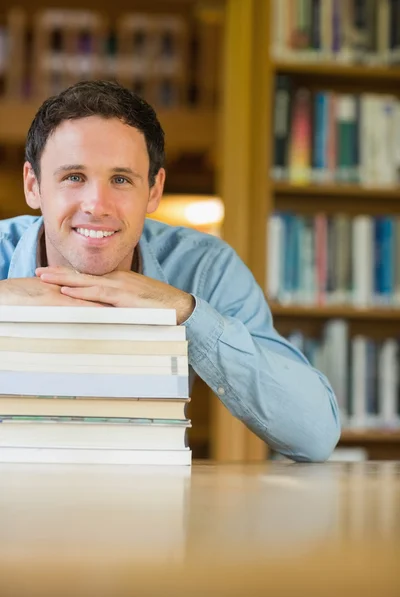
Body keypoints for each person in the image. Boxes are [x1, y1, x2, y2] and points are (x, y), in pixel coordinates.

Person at [0, 80, 340, 461]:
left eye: (121, 179)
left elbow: (316, 433)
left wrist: (186, 312)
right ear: (33, 185)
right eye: (74, 177)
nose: (96, 205)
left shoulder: (205, 266)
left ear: (154, 189)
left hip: (151, 504)